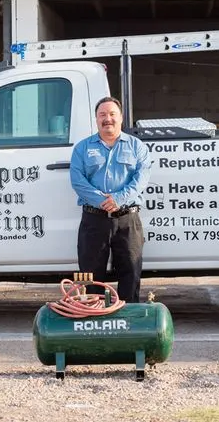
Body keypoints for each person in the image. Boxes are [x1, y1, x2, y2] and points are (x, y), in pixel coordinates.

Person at [69, 96, 152, 303]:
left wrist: (118, 199)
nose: (108, 119)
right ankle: (94, 319)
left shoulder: (137, 147)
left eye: (112, 114)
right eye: (102, 115)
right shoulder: (82, 148)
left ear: (121, 118)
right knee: (91, 276)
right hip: (94, 220)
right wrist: (102, 201)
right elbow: (78, 181)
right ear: (96, 119)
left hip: (128, 220)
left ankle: (128, 321)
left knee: (130, 273)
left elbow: (141, 179)